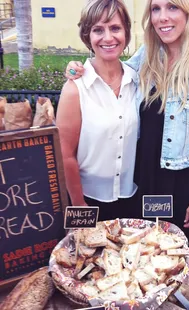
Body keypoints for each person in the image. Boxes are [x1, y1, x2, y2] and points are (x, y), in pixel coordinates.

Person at [65, 0, 189, 251]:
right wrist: (79, 70)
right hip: (142, 181)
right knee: (140, 251)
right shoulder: (145, 59)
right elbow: (108, 71)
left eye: (172, 7)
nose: (162, 17)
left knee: (171, 252)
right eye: (156, 9)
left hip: (179, 183)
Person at [57, 0, 139, 221]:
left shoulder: (137, 80)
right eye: (98, 30)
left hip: (131, 196)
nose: (108, 38)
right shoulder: (75, 89)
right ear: (87, 36)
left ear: (126, 33)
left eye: (115, 28)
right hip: (88, 199)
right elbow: (65, 155)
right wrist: (79, 207)